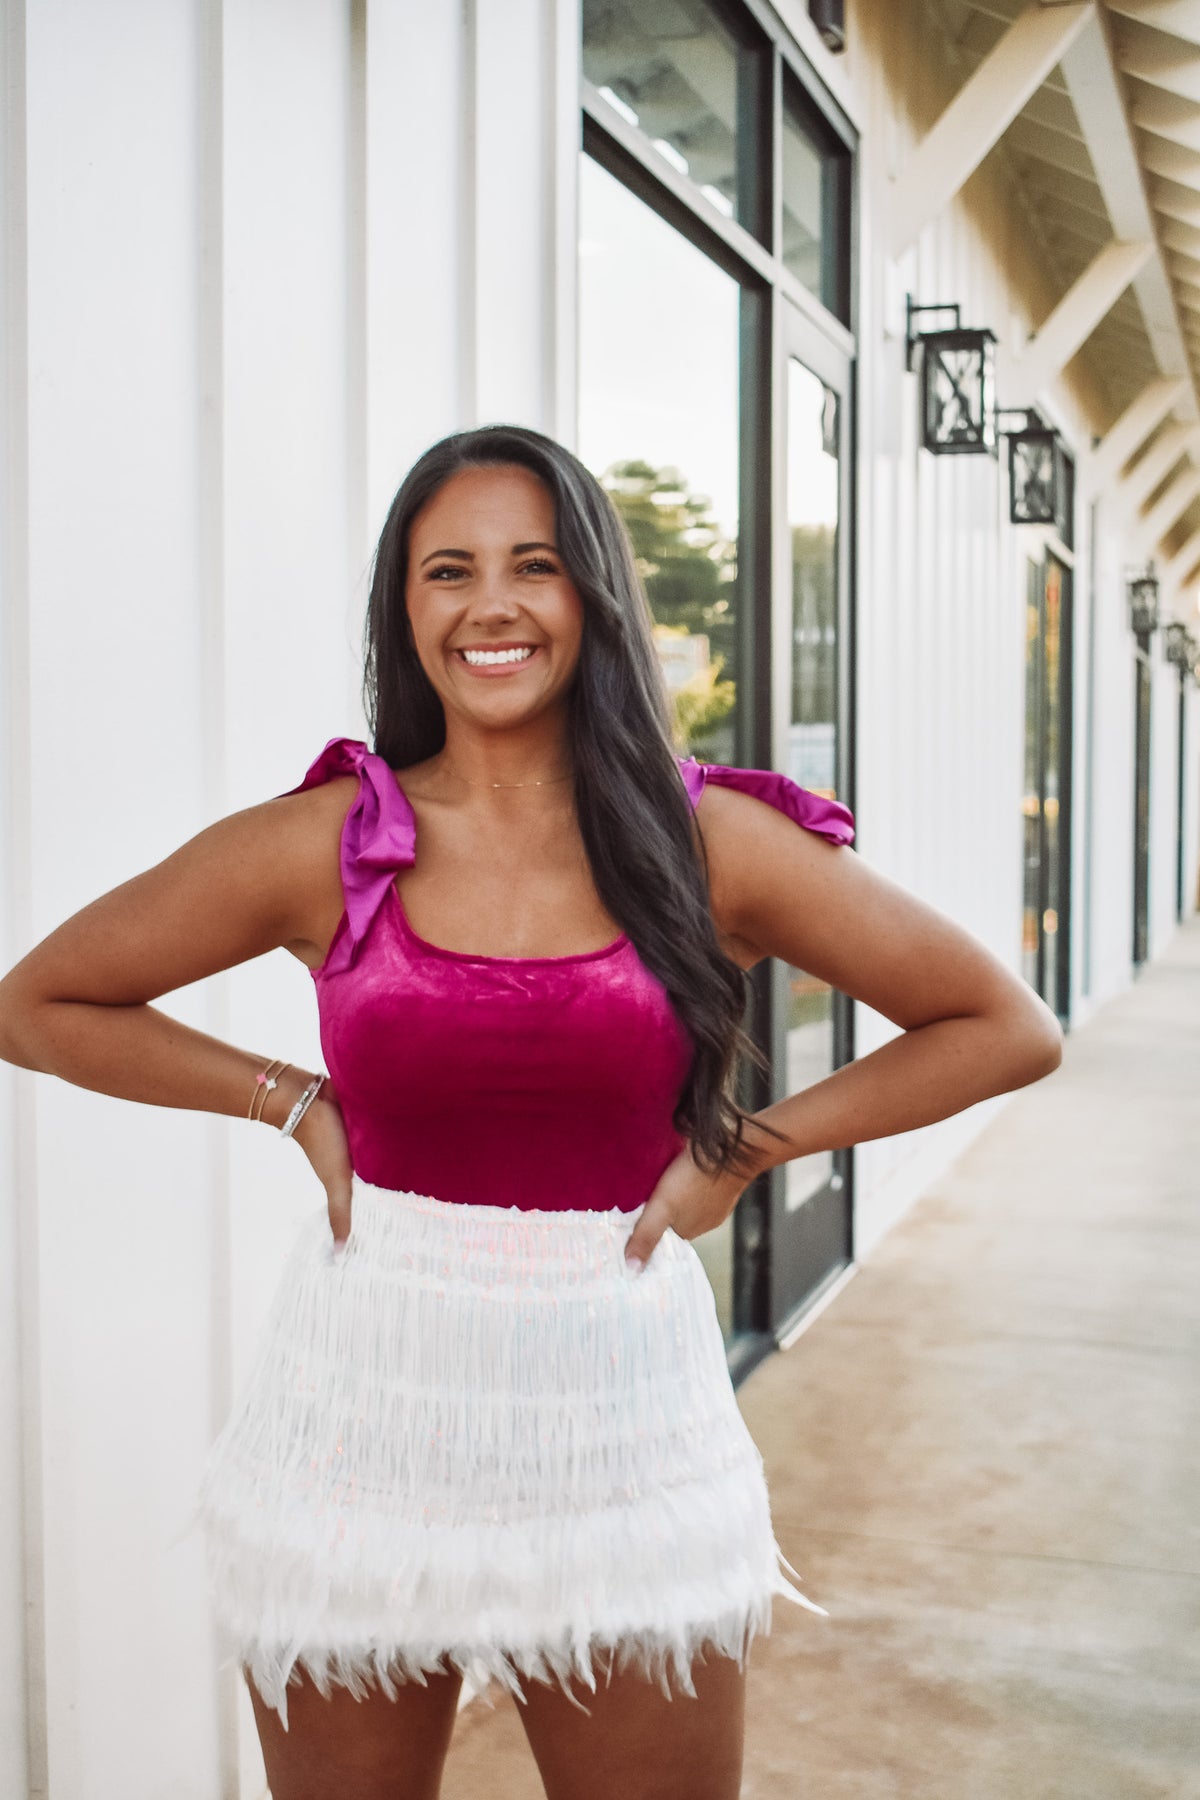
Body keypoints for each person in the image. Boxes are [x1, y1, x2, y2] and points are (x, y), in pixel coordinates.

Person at [0, 423, 1063, 1800]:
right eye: (449, 570)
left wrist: (745, 1151)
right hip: (361, 1395)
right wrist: (288, 1101)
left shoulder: (709, 843)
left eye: (535, 566)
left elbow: (1002, 1027)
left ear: (592, 599)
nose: (490, 604)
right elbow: (40, 1002)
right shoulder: (328, 842)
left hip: (623, 1407)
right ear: (406, 608)